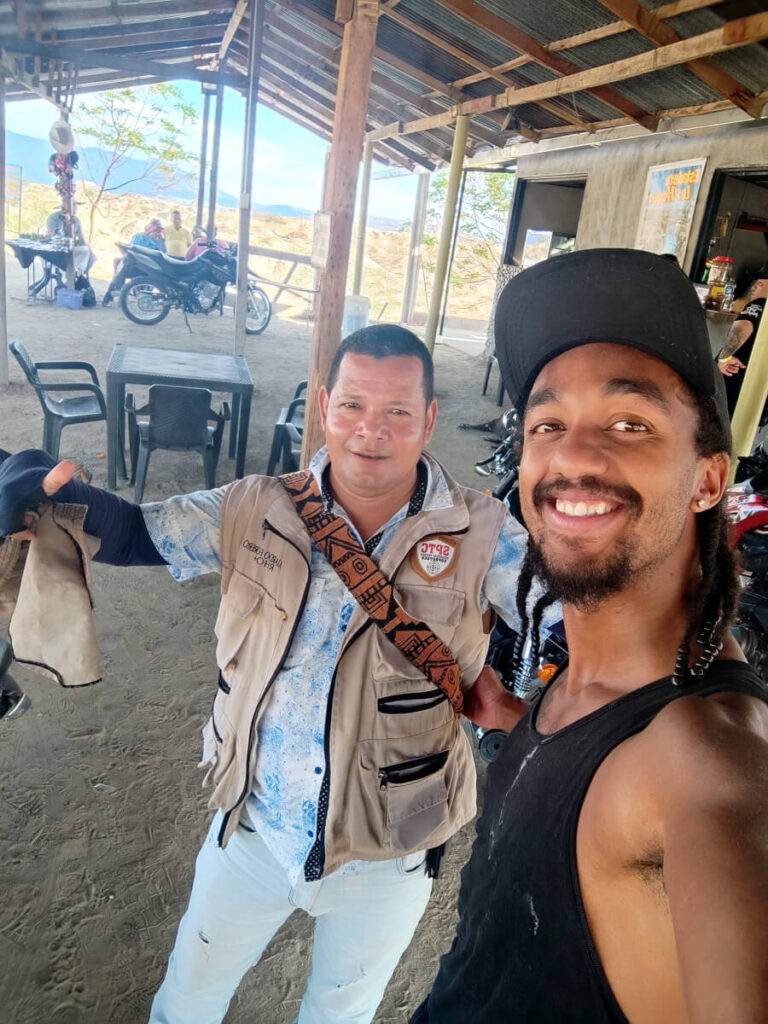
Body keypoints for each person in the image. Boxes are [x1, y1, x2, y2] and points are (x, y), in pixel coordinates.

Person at [0, 324, 544, 1024]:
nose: (369, 431)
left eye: (397, 412)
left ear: (429, 418)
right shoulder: (253, 505)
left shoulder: (486, 532)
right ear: (324, 405)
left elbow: (569, 619)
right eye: (351, 406)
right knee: (185, 1004)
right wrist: (41, 498)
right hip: (251, 828)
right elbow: (140, 533)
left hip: (389, 851)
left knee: (338, 1017)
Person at [411, 249, 768, 1023]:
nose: (573, 452)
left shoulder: (709, 767)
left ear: (709, 479)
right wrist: (519, 726)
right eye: (548, 422)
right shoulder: (586, 681)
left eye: (630, 422)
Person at [716, 268, 768, 416]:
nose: (754, 287)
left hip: (736, 384)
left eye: (759, 284)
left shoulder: (758, 305)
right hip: (758, 393)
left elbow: (742, 326)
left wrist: (724, 357)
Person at [102, 219, 166, 305]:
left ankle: (118, 288)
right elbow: (132, 250)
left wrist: (162, 240)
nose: (157, 233)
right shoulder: (138, 237)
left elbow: (162, 254)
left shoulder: (160, 242)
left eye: (159, 231)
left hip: (148, 268)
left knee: (122, 263)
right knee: (120, 261)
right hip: (134, 264)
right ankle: (117, 289)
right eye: (155, 230)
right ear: (150, 230)